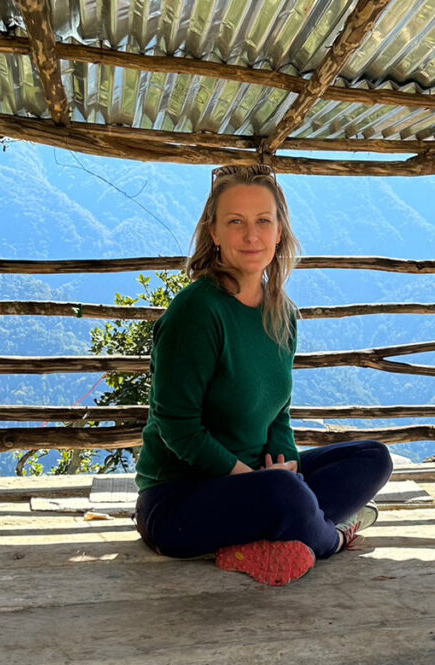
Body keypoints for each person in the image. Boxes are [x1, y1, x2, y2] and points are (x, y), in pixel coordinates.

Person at [134, 163, 393, 586]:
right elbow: (176, 427)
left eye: (262, 222)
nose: (251, 235)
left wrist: (284, 460)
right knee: (285, 495)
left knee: (372, 459)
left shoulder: (283, 314)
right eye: (235, 222)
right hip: (179, 503)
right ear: (214, 232)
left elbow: (278, 411)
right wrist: (254, 479)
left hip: (260, 485)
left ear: (279, 232)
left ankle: (280, 531)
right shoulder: (198, 312)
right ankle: (329, 538)